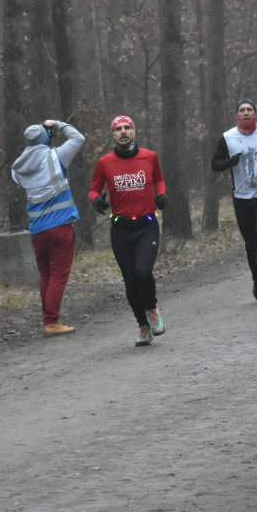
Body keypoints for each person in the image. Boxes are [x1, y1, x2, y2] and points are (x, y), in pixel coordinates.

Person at [89, 116, 168, 346]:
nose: (123, 132)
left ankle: (152, 310)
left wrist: (161, 195)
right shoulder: (105, 162)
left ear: (134, 130)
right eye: (118, 129)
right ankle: (143, 327)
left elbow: (159, 181)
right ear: (113, 134)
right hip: (121, 229)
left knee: (143, 272)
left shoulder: (149, 156)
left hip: (147, 225)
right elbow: (94, 189)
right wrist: (97, 202)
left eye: (127, 128)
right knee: (130, 281)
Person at [11, 119, 85, 337]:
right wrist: (58, 124)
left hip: (37, 230)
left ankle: (49, 319)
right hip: (60, 227)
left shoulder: (18, 168)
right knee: (59, 276)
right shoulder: (56, 157)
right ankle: (51, 323)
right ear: (46, 138)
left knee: (46, 275)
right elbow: (78, 138)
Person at [210, 98, 257, 302]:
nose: (246, 113)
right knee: (250, 242)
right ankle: (255, 277)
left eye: (249, 110)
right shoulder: (228, 137)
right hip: (242, 197)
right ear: (236, 115)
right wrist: (228, 162)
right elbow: (215, 164)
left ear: (255, 114)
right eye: (242, 110)